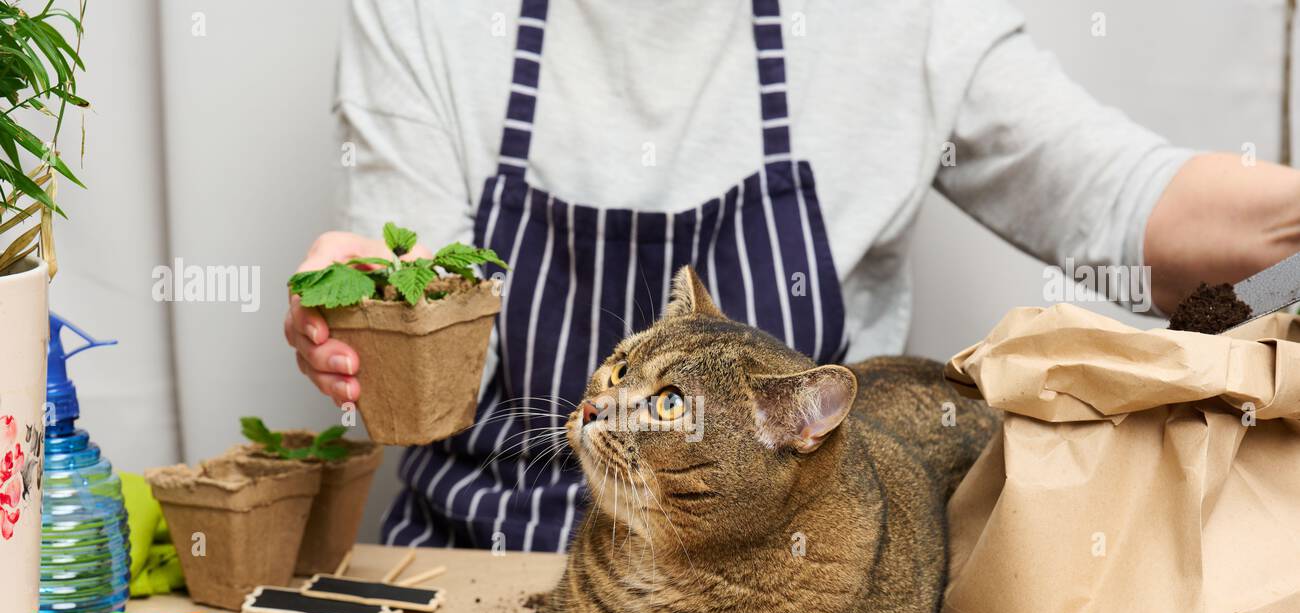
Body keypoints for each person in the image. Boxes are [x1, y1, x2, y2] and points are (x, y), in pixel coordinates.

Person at [285, 0, 1300, 552]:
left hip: (782, 594)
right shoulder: (428, 14)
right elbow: (404, 266)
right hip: (486, 564)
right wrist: (356, 293)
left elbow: (1133, 202)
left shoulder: (896, 19)